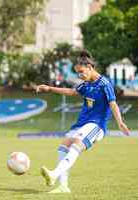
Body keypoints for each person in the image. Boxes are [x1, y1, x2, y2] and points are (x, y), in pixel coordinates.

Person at [35, 50, 130, 193]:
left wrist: (120, 122)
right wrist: (49, 88)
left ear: (90, 67)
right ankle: (63, 186)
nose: (80, 75)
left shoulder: (104, 83)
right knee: (63, 146)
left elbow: (113, 104)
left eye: (81, 71)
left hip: (96, 125)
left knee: (77, 144)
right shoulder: (85, 85)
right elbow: (71, 92)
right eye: (77, 73)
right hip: (82, 123)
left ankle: (54, 174)